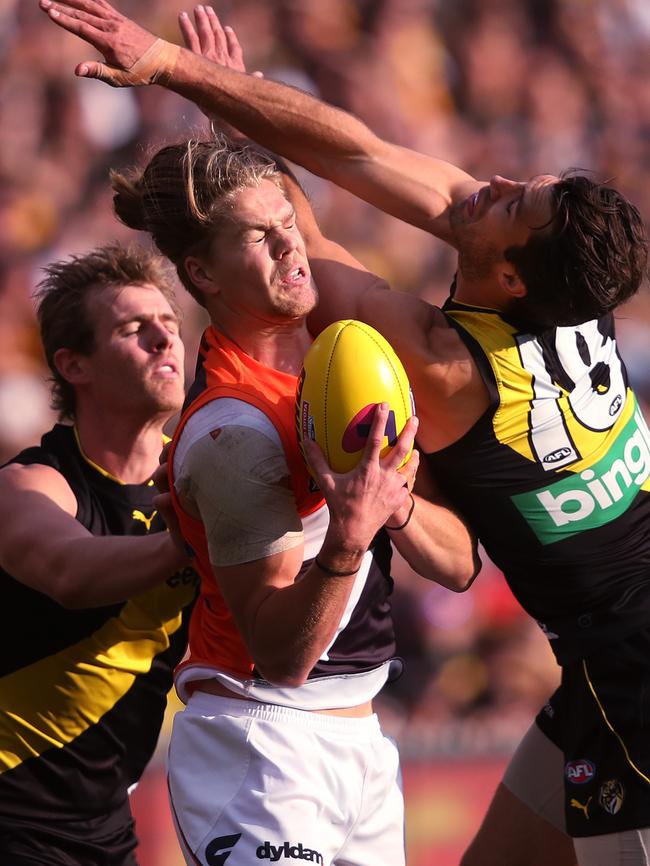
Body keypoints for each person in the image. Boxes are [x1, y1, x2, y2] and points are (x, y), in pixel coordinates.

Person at [38, 2, 650, 865]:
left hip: (634, 682)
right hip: (593, 660)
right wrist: (227, 130)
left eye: (517, 205)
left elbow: (311, 231)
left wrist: (177, 70)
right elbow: (356, 161)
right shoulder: (576, 293)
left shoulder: (445, 362)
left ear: (510, 273)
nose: (495, 183)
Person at [0, 242, 196, 866]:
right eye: (134, 330)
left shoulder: (202, 471)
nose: (164, 341)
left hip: (108, 827)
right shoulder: (34, 483)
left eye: (170, 325)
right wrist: (192, 540)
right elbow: (69, 572)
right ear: (74, 365)